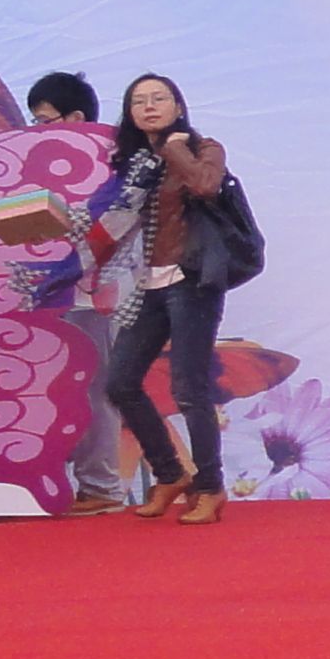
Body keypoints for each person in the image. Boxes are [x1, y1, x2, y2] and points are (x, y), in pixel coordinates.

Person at [96, 73, 236, 525]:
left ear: (178, 106)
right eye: (139, 101)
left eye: (160, 98)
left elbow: (206, 186)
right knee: (120, 382)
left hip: (191, 281)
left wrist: (176, 149)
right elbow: (112, 223)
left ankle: (210, 488)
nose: (150, 107)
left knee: (189, 390)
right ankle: (171, 474)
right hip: (149, 283)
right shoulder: (133, 163)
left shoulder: (203, 149)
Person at [23, 72, 128, 516]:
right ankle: (67, 484)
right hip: (51, 295)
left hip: (93, 296)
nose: (35, 130)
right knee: (58, 391)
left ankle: (102, 486)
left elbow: (108, 233)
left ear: (76, 118)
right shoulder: (39, 163)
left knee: (94, 391)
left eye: (43, 120)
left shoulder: (112, 165)